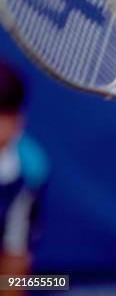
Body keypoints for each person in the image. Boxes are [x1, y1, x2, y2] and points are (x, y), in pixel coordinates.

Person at [0, 61, 48, 294]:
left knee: (57, 281)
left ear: (19, 119)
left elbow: (16, 253)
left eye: (5, 115)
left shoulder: (31, 167)